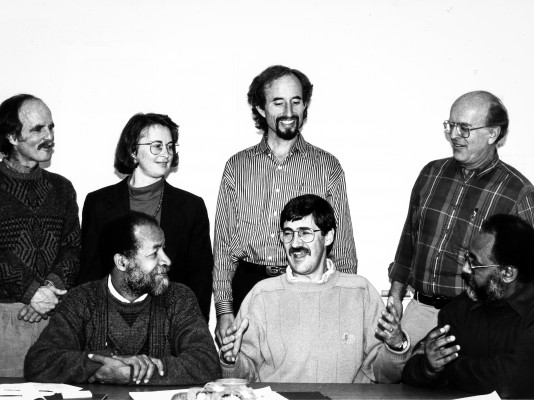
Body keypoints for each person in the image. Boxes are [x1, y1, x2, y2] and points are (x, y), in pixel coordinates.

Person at [213, 65, 358, 342]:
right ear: (260, 108)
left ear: (305, 105)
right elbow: (223, 248)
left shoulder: (327, 167)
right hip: (249, 288)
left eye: (296, 101)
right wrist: (224, 310)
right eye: (278, 102)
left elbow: (343, 248)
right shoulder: (237, 167)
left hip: (309, 288)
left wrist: (345, 305)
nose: (289, 111)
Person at [388, 91, 534, 347]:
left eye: (464, 128)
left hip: (475, 319)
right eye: (451, 125)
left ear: (492, 134)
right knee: (395, 370)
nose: (454, 135)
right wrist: (396, 297)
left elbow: (527, 276)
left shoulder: (518, 193)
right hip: (419, 312)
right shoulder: (431, 174)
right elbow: (408, 242)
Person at [219, 194, 409, 383]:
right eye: (288, 233)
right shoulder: (262, 295)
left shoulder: (360, 292)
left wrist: (396, 346)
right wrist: (231, 360)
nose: (295, 243)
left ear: (328, 237)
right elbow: (243, 377)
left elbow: (385, 376)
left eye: (305, 233)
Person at [25, 211, 221, 385]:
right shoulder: (81, 300)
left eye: (164, 249)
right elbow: (39, 362)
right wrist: (101, 367)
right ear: (122, 262)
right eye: (154, 253)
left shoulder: (179, 298)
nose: (167, 261)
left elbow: (207, 364)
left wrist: (129, 372)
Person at [78, 113, 213, 321]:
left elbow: (200, 277)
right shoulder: (99, 203)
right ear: (133, 151)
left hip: (171, 321)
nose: (166, 154)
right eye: (157, 146)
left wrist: (193, 327)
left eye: (170, 146)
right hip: (110, 320)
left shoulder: (191, 207)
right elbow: (90, 272)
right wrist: (90, 323)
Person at [402, 214, 534, 399]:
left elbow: (509, 381)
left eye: (474, 264)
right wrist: (429, 368)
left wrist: (447, 368)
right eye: (466, 258)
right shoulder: (461, 308)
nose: (465, 269)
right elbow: (412, 368)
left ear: (507, 273)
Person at [0, 94, 80, 377]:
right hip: (6, 320)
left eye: (51, 127)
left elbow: (73, 248)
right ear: (12, 136)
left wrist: (49, 290)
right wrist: (33, 292)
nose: (49, 136)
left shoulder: (62, 188)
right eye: (38, 129)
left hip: (56, 319)